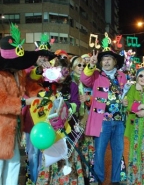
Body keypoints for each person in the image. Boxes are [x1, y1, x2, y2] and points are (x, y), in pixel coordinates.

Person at [0, 23, 55, 185]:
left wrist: (41, 94)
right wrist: (24, 101)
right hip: (1, 129)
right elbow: (2, 102)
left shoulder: (18, 73)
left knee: (14, 163)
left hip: (12, 129)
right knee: (2, 165)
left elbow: (29, 85)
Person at [35, 55, 86, 184]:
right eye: (59, 70)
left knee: (67, 156)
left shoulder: (72, 86)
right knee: (51, 157)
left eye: (65, 71)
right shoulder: (46, 84)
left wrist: (67, 106)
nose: (62, 75)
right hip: (49, 130)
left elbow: (76, 103)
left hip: (68, 127)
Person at [80, 50, 127, 185]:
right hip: (102, 121)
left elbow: (126, 93)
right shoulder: (96, 75)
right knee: (99, 151)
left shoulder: (122, 76)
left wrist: (126, 101)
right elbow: (84, 79)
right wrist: (90, 65)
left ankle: (117, 179)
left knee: (118, 150)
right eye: (104, 59)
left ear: (115, 62)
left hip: (119, 121)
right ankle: (98, 178)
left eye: (109, 59)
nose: (106, 62)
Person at [70, 56, 94, 184]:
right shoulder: (69, 82)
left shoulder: (88, 81)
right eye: (79, 65)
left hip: (87, 119)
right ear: (73, 67)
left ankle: (86, 177)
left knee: (86, 151)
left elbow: (96, 96)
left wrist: (89, 98)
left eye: (84, 65)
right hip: (74, 120)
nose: (82, 68)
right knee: (75, 151)